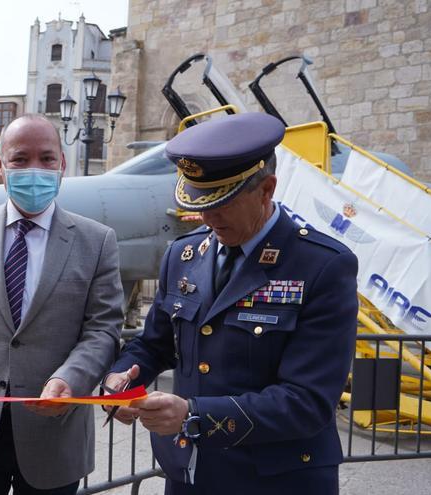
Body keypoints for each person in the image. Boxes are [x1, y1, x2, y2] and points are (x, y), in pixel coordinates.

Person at [104, 113, 358, 494]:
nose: (207, 217)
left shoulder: (322, 265)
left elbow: (306, 401)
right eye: (200, 201)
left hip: (278, 479)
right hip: (189, 472)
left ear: (266, 189)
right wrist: (122, 378)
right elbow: (153, 344)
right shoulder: (183, 254)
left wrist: (193, 415)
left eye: (222, 203)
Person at [0, 114, 124, 494]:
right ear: (0, 166)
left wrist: (70, 379)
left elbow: (103, 329)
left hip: (55, 436)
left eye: (46, 159)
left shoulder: (97, 241)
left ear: (62, 164)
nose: (35, 169)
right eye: (20, 159)